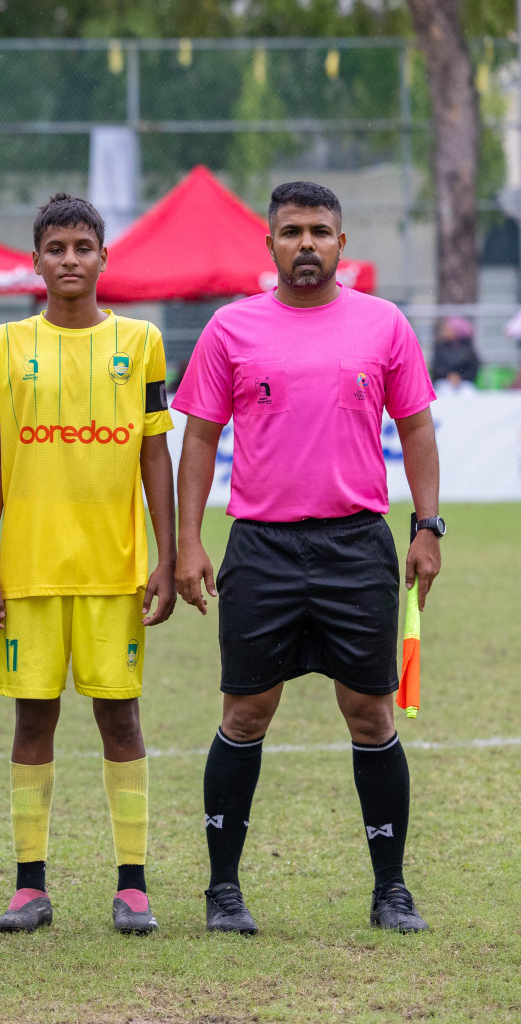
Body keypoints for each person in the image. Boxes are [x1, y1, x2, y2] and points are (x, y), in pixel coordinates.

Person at [173, 181, 442, 934]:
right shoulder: (231, 328)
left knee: (369, 712)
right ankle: (223, 891)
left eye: (320, 231)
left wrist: (429, 526)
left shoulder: (383, 325)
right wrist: (189, 541)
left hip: (357, 545)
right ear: (270, 245)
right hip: (261, 545)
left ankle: (391, 890)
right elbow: (199, 438)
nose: (306, 244)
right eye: (291, 231)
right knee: (247, 711)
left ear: (342, 245)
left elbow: (417, 429)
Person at [0, 194, 176, 936]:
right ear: (35, 260)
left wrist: (166, 554)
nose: (69, 259)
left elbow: (156, 452)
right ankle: (30, 885)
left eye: (82, 246)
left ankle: (134, 884)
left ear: (102, 258)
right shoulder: (3, 345)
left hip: (113, 570)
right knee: (34, 720)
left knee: (120, 717)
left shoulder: (143, 342)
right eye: (55, 247)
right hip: (28, 570)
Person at [429, 315, 479, 389]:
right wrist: (448, 376)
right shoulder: (440, 347)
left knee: (468, 392)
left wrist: (460, 377)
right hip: (444, 382)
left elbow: (473, 369)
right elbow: (436, 368)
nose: (445, 332)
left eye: (448, 329)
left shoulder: (468, 348)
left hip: (464, 382)